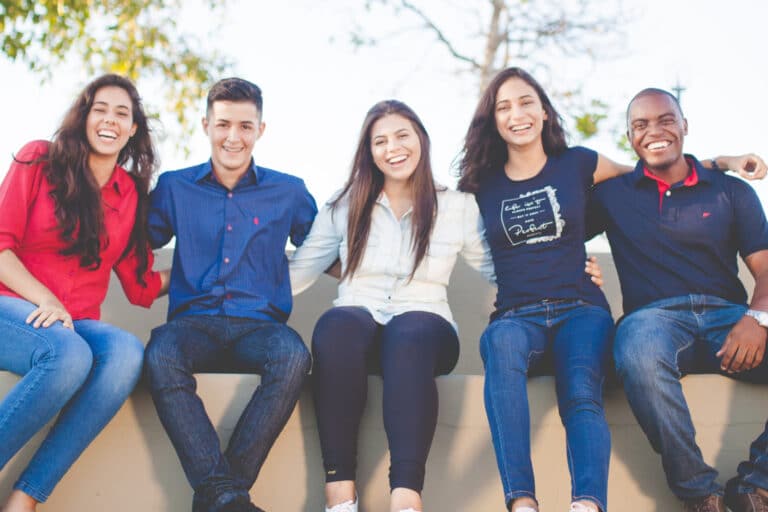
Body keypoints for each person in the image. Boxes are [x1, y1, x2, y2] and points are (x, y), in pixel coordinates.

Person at [455, 67, 758, 512]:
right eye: (504, 106)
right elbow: (508, 242)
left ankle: (596, 502)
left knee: (582, 388)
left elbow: (662, 168)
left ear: (543, 111)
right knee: (519, 349)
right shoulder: (495, 185)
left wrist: (724, 162)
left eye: (525, 102)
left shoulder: (586, 163)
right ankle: (527, 500)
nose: (516, 114)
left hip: (637, 311)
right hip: (574, 317)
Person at [289, 99, 603, 512]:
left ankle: (406, 498)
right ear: (369, 151)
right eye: (380, 141)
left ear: (421, 138)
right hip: (358, 323)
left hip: (427, 327)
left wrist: (569, 268)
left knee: (409, 331)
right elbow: (299, 270)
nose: (393, 147)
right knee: (337, 324)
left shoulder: (456, 206)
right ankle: (340, 496)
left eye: (402, 135)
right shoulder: (344, 205)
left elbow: (503, 266)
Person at [588, 88, 768, 512]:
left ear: (684, 126)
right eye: (640, 125)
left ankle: (755, 488)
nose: (654, 131)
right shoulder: (613, 196)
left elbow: (765, 269)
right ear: (629, 137)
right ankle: (701, 493)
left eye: (666, 120)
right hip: (654, 321)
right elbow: (554, 194)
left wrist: (758, 318)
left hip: (731, 319)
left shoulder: (731, 192)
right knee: (637, 351)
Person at [143, 77, 317, 512]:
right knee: (160, 354)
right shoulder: (174, 186)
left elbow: (329, 248)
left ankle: (221, 497)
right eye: (223, 125)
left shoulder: (290, 190)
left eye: (244, 125)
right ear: (206, 125)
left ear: (261, 129)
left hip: (259, 328)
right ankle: (230, 498)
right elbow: (131, 244)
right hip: (191, 325)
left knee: (294, 356)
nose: (233, 137)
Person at [0, 74, 167, 512]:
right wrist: (45, 299)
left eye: (122, 114)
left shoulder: (129, 193)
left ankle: (25, 497)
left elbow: (141, 284)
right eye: (101, 109)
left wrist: (207, 273)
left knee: (127, 353)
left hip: (73, 324)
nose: (110, 120)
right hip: (11, 306)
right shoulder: (39, 159)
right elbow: (0, 247)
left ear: (133, 130)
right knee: (70, 354)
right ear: (84, 117)